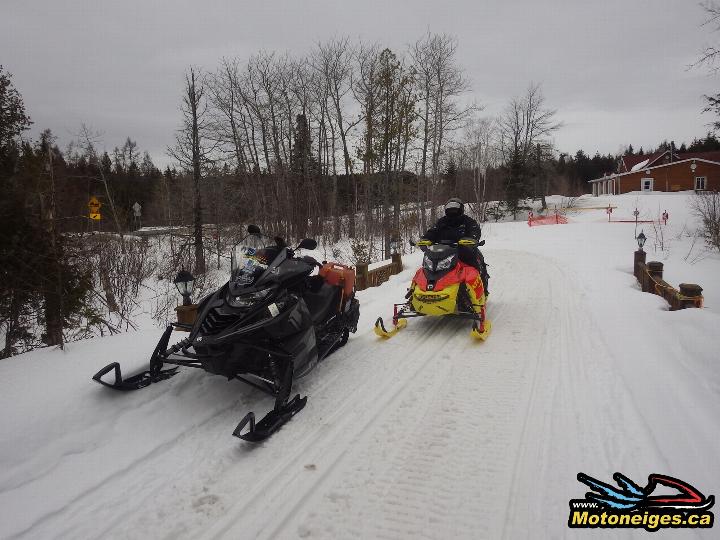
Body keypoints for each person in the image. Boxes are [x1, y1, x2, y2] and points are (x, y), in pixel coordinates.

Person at [421, 198, 489, 294]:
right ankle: (421, 290)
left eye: (455, 208)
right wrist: (426, 239)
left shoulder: (468, 221)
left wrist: (472, 238)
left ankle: (481, 290)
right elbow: (432, 231)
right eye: (450, 208)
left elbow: (475, 230)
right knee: (427, 268)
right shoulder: (441, 222)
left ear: (461, 209)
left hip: (463, 251)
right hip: (442, 252)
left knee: (475, 265)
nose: (452, 211)